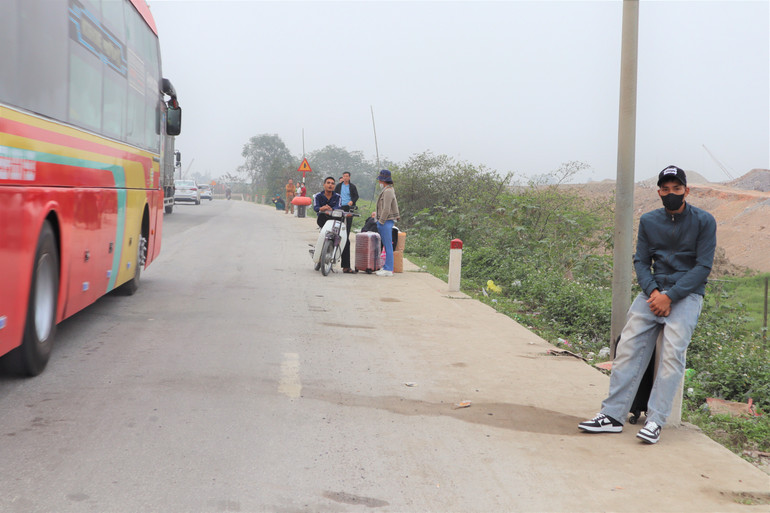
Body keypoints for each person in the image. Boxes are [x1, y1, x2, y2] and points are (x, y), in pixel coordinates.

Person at [579, 165, 716, 444]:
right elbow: (641, 261)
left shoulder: (704, 221)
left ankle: (655, 421)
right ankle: (612, 416)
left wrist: (671, 296)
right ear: (659, 192)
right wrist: (654, 292)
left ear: (686, 191)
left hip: (686, 295)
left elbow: (702, 267)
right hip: (653, 293)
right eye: (665, 189)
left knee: (671, 355)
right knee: (627, 347)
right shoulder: (650, 221)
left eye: (676, 189)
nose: (670, 194)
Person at [374, 169, 400, 277]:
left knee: (388, 245)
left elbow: (386, 208)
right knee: (386, 244)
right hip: (385, 221)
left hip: (386, 221)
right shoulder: (387, 189)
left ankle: (388, 269)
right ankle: (386, 267)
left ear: (382, 180)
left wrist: (381, 221)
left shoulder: (388, 191)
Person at [334, 172, 360, 273]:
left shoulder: (352, 186)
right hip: (338, 208)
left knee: (345, 235)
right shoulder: (338, 186)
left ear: (349, 177)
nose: (345, 178)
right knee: (335, 232)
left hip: (348, 209)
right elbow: (334, 196)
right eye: (344, 176)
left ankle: (346, 266)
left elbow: (356, 196)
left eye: (347, 176)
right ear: (342, 177)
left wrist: (352, 202)